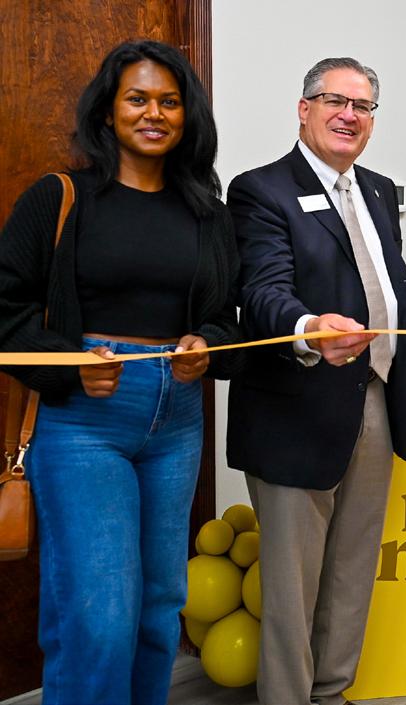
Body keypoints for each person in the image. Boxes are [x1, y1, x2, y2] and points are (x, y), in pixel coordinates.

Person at [0, 40, 242, 704]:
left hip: (177, 419)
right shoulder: (59, 197)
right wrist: (69, 365)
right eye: (137, 98)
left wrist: (207, 345)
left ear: (187, 115)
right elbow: (4, 309)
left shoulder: (208, 212)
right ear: (107, 111)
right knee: (100, 615)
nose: (154, 113)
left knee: (159, 607)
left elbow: (227, 318)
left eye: (169, 101)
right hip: (83, 423)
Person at [226, 57, 406, 704]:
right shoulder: (260, 190)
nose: (349, 115)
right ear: (304, 108)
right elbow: (262, 291)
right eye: (335, 100)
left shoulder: (378, 190)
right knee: (292, 583)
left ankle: (331, 692)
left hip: (375, 396)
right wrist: (309, 328)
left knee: (351, 570)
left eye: (362, 106)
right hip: (296, 407)